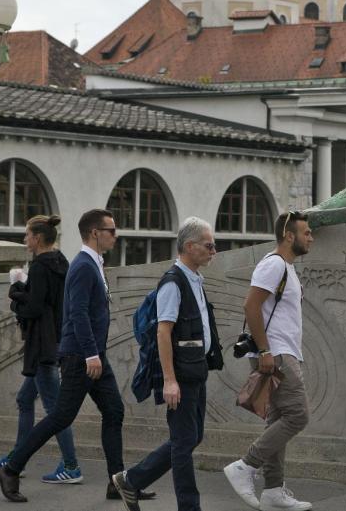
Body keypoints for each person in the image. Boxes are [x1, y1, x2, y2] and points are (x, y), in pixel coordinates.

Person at [0, 209, 153, 504]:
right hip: (82, 355)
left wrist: (96, 354)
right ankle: (11, 469)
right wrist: (92, 354)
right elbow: (77, 312)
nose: (116, 235)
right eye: (112, 230)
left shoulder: (94, 263)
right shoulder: (81, 266)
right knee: (61, 416)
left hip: (93, 355)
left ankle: (118, 482)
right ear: (95, 233)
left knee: (114, 412)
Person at [112, 217, 224, 511]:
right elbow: (163, 332)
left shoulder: (194, 279)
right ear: (189, 246)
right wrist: (170, 380)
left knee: (190, 437)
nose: (213, 251)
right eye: (209, 245)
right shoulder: (173, 283)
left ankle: (131, 480)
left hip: (196, 370)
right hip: (182, 376)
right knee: (184, 444)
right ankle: (189, 506)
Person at [224, 210, 314, 511]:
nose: (310, 237)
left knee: (279, 419)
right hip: (274, 354)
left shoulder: (286, 268)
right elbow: (251, 305)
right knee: (298, 415)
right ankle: (245, 466)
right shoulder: (274, 265)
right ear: (289, 235)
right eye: (306, 232)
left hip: (281, 351)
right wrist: (264, 351)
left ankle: (273, 490)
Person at [0, 214, 84, 484]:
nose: (24, 239)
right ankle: (17, 456)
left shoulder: (41, 266)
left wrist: (15, 291)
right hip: (57, 339)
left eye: (27, 234)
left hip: (42, 347)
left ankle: (71, 465)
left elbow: (33, 307)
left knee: (56, 411)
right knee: (24, 399)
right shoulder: (62, 261)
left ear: (38, 238)